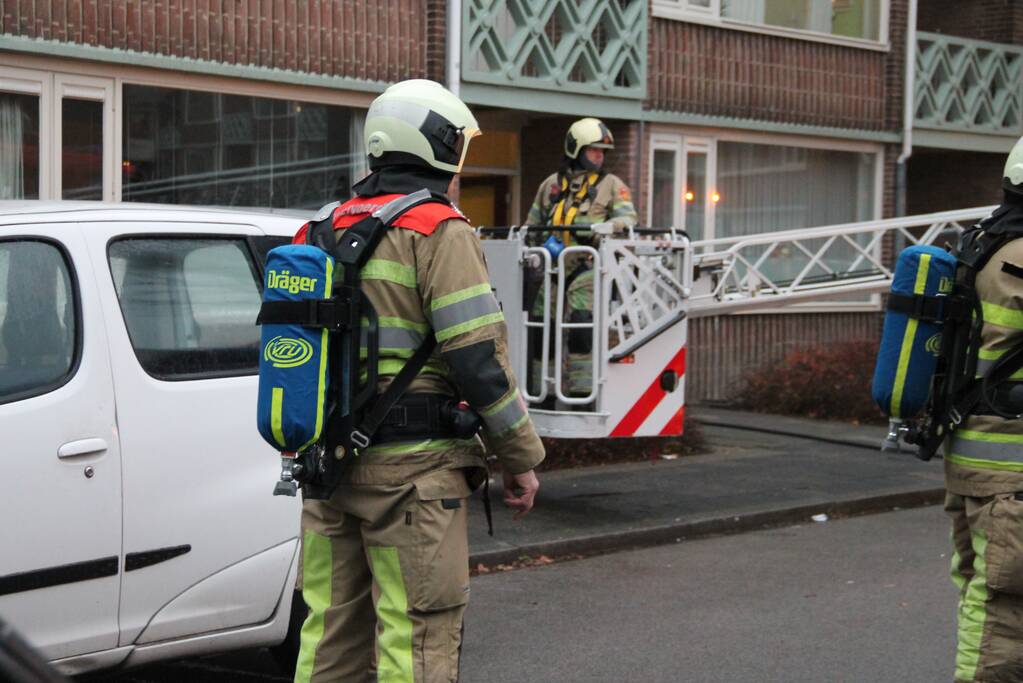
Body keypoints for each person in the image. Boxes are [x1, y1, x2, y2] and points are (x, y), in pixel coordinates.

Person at [292, 79, 545, 683]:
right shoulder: (438, 230)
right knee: (417, 636)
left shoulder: (317, 231)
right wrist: (520, 457)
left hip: (326, 469)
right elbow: (478, 359)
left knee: (326, 635)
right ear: (436, 146)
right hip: (413, 480)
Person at [944, 135, 1023, 683]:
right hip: (1013, 474)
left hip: (977, 462)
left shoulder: (987, 242)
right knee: (1002, 612)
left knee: (984, 593)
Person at [525, 118, 637, 399]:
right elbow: (532, 223)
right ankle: (543, 390)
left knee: (581, 327)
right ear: (576, 149)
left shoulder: (612, 185)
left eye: (602, 152)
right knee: (541, 330)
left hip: (586, 266)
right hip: (550, 267)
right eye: (593, 150)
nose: (599, 156)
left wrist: (613, 225)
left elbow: (628, 216)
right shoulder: (551, 184)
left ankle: (581, 393)